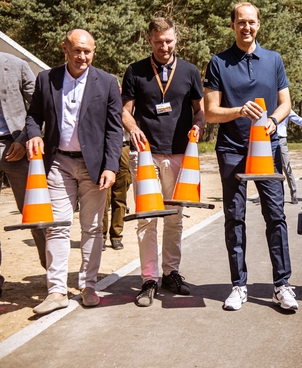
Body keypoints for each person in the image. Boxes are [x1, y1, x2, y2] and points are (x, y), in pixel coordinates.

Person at [204, 2, 298, 312]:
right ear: (232, 25)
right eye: (241, 22)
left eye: (252, 22)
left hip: (266, 151)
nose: (247, 27)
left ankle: (282, 285)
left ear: (259, 24)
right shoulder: (218, 62)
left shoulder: (273, 60)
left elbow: (285, 103)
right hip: (232, 151)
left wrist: (273, 121)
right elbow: (210, 112)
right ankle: (238, 285)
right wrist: (239, 110)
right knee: (235, 217)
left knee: (276, 216)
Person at [25, 29, 123, 315]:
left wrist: (111, 166)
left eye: (88, 51)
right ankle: (56, 290)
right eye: (77, 50)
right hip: (58, 163)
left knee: (92, 228)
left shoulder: (106, 82)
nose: (83, 56)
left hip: (94, 168)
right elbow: (34, 116)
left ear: (94, 52)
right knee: (57, 226)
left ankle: (89, 285)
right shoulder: (47, 79)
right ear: (65, 49)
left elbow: (114, 131)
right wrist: (34, 134)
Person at [122, 17, 204, 307]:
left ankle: (171, 272)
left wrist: (199, 126)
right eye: (159, 42)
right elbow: (125, 111)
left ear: (176, 40)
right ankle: (148, 278)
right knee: (147, 219)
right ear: (149, 40)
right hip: (145, 155)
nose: (164, 46)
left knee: (175, 218)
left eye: (169, 41)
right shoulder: (135, 71)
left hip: (180, 154)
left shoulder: (191, 71)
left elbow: (200, 111)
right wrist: (132, 128)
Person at [0, 52, 47, 295]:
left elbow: (39, 109)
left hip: (16, 145)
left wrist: (24, 138)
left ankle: (52, 272)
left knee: (34, 213)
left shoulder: (16, 65)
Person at [277, 110, 302, 204]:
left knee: (286, 167)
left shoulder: (285, 108)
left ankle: (294, 194)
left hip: (280, 139)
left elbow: (298, 120)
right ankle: (263, 194)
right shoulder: (267, 103)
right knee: (266, 169)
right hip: (266, 139)